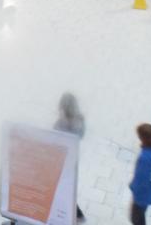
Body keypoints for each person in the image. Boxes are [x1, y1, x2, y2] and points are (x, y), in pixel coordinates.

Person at [54, 93, 86, 223]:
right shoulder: (79, 120)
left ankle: (76, 214)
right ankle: (75, 213)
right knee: (64, 188)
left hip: (64, 161)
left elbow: (58, 137)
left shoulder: (66, 122)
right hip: (68, 160)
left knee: (63, 189)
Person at [129, 123, 151, 225]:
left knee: (136, 219)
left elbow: (141, 179)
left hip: (142, 195)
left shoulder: (144, 158)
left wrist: (133, 187)